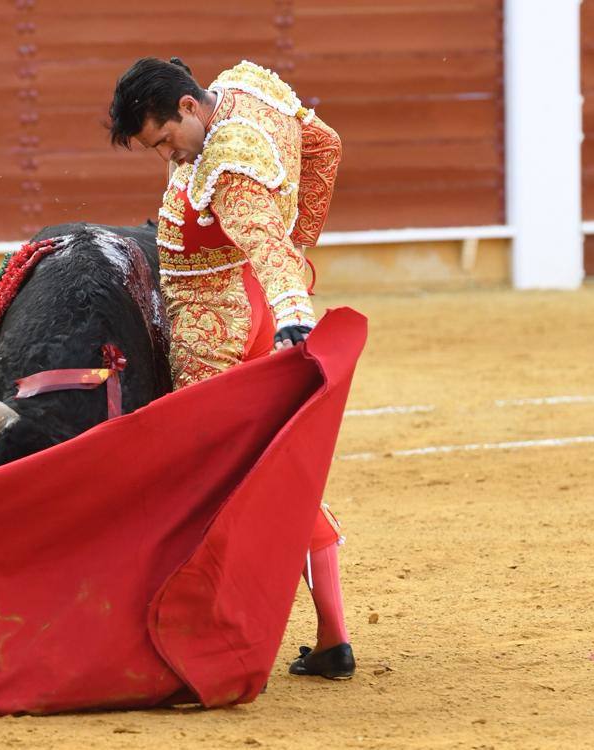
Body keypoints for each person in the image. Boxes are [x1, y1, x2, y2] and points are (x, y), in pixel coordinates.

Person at [107, 57, 353, 679]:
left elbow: (263, 240)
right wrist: (303, 239)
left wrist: (294, 305)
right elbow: (325, 144)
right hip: (250, 303)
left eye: (165, 139)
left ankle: (203, 635)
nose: (169, 155)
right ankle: (333, 637)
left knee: (211, 478)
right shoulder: (245, 88)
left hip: (211, 323)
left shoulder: (228, 166)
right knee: (273, 465)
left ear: (189, 107)